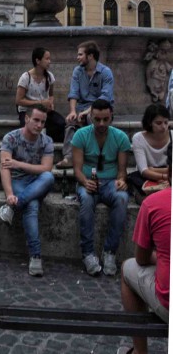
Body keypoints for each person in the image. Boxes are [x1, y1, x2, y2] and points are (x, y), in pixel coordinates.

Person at [119, 143, 170, 354]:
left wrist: (161, 257)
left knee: (127, 268)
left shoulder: (154, 203)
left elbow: (141, 258)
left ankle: (140, 351)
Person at [72, 99, 130, 276]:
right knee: (87, 201)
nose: (101, 123)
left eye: (106, 119)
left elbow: (122, 171)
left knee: (122, 199)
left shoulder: (120, 137)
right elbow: (77, 169)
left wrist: (121, 180)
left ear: (111, 117)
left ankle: (110, 251)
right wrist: (84, 181)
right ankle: (88, 253)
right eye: (97, 119)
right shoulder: (80, 135)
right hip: (88, 180)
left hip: (110, 181)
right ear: (90, 117)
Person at [0, 104, 55, 277]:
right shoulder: (11, 138)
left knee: (49, 177)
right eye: (36, 120)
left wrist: (18, 163)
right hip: (18, 181)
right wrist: (9, 194)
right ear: (27, 118)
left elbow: (46, 168)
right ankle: (35, 256)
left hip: (38, 181)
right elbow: (5, 167)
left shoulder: (47, 141)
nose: (39, 125)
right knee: (32, 206)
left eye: (43, 122)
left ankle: (12, 209)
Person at [56, 41, 114, 168]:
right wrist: (72, 111)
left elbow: (105, 97)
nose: (77, 57)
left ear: (90, 56)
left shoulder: (105, 72)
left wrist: (89, 111)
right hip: (81, 108)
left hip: (101, 109)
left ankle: (98, 157)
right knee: (71, 122)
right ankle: (69, 157)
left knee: (92, 119)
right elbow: (73, 93)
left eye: (80, 55)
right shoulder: (78, 71)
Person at [15, 47, 65, 143]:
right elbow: (19, 100)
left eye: (49, 59)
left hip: (44, 110)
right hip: (27, 110)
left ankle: (49, 143)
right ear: (38, 60)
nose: (49, 61)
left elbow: (51, 95)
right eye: (47, 59)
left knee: (60, 123)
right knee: (30, 126)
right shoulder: (26, 77)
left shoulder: (49, 76)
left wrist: (51, 103)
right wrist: (40, 102)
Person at [129, 103, 171, 204]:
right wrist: (167, 176)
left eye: (166, 122)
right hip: (147, 179)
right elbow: (144, 171)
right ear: (149, 122)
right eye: (159, 123)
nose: (164, 127)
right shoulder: (138, 138)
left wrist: (153, 169)